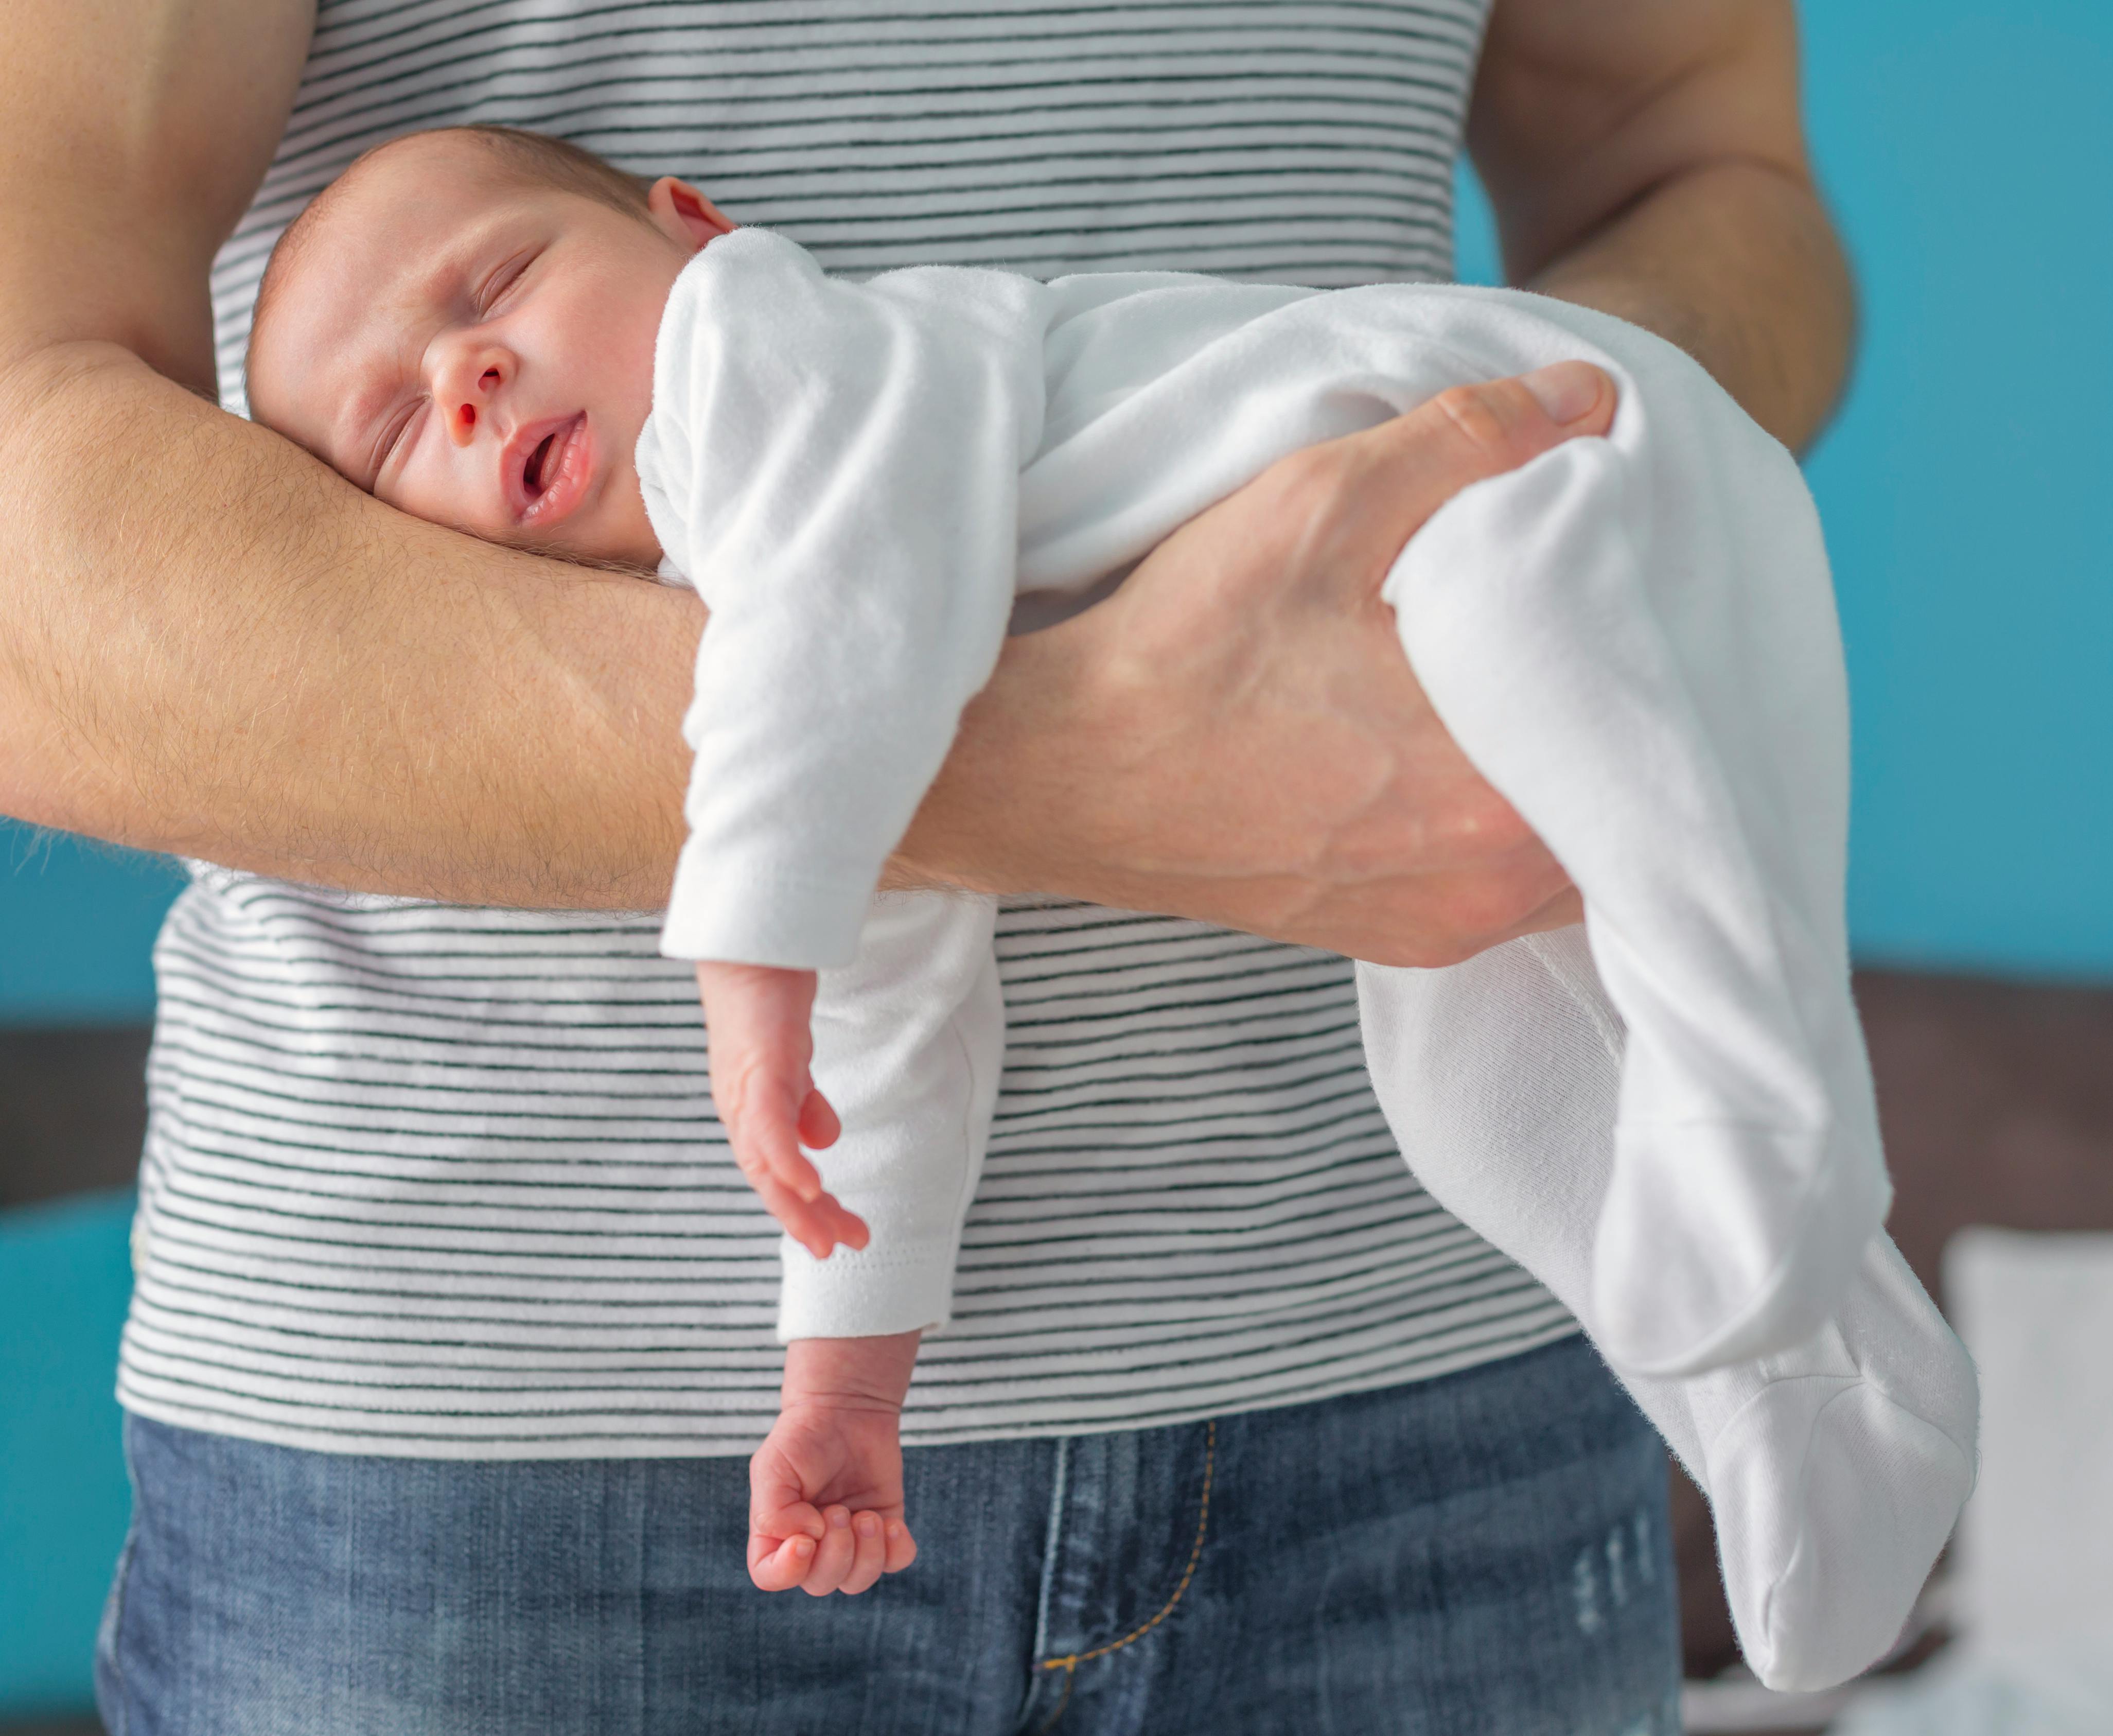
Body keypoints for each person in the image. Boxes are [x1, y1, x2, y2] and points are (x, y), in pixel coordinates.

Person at [0, 3, 1857, 1730]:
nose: (467, 378)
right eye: (397, 430)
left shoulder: (791, 353)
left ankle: (1793, 1286)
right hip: (487, 1468)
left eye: (499, 284)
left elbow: (1696, 170)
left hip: (1436, 1369)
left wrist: (1551, 472)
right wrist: (1080, 771)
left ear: (697, 230)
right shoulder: (767, 610)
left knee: (1689, 959)